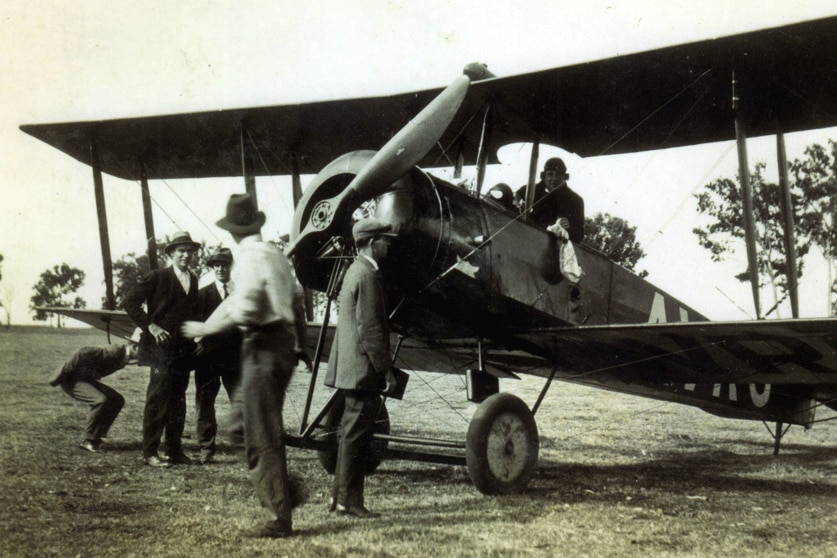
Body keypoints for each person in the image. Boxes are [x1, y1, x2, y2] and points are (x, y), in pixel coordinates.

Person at [181, 193, 308, 539]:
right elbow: (296, 301)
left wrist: (207, 328)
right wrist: (301, 344)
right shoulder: (277, 255)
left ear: (233, 231)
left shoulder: (249, 257)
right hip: (280, 345)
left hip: (262, 345)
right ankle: (286, 490)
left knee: (259, 432)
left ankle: (280, 516)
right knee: (238, 426)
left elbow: (247, 308)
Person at [325, 217, 398, 519]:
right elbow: (370, 330)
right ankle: (348, 502)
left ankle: (338, 499)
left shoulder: (356, 270)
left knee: (349, 436)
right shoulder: (367, 275)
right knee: (356, 438)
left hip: (352, 369)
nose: (388, 243)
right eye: (384, 239)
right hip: (362, 371)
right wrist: (387, 371)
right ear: (370, 242)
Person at [123, 231, 201, 468]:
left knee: (178, 400)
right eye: (181, 251)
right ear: (171, 254)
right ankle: (150, 453)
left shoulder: (193, 280)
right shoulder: (158, 277)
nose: (186, 255)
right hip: (160, 350)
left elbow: (192, 314)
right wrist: (151, 326)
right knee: (157, 399)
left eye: (189, 251)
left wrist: (198, 339)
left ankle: (175, 451)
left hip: (183, 351)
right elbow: (130, 302)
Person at [49, 332, 140, 452]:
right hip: (70, 380)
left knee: (117, 400)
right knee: (100, 400)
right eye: (146, 349)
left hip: (84, 379)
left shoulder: (127, 355)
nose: (148, 353)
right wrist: (60, 375)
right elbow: (82, 352)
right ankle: (87, 440)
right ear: (134, 347)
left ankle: (96, 437)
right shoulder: (115, 352)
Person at [193, 246, 241, 464]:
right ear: (212, 268)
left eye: (225, 264)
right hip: (208, 360)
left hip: (235, 360)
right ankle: (206, 447)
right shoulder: (202, 295)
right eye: (216, 265)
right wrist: (203, 343)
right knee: (204, 403)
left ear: (231, 267)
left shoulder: (242, 295)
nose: (221, 268)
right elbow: (197, 325)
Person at [515, 157, 585, 243]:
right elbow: (514, 202)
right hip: (524, 239)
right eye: (550, 174)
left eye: (559, 175)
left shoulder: (575, 200)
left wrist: (567, 229)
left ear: (565, 177)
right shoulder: (528, 190)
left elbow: (579, 235)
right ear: (543, 176)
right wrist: (518, 205)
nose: (554, 178)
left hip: (553, 249)